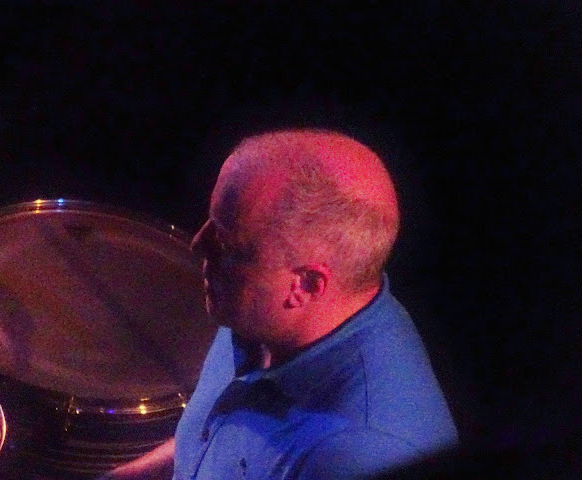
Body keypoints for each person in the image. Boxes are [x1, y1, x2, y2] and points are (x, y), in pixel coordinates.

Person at [104, 129, 458, 479]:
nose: (198, 244)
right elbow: (216, 440)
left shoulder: (363, 456)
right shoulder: (262, 311)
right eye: (211, 221)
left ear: (305, 285)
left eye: (226, 244)